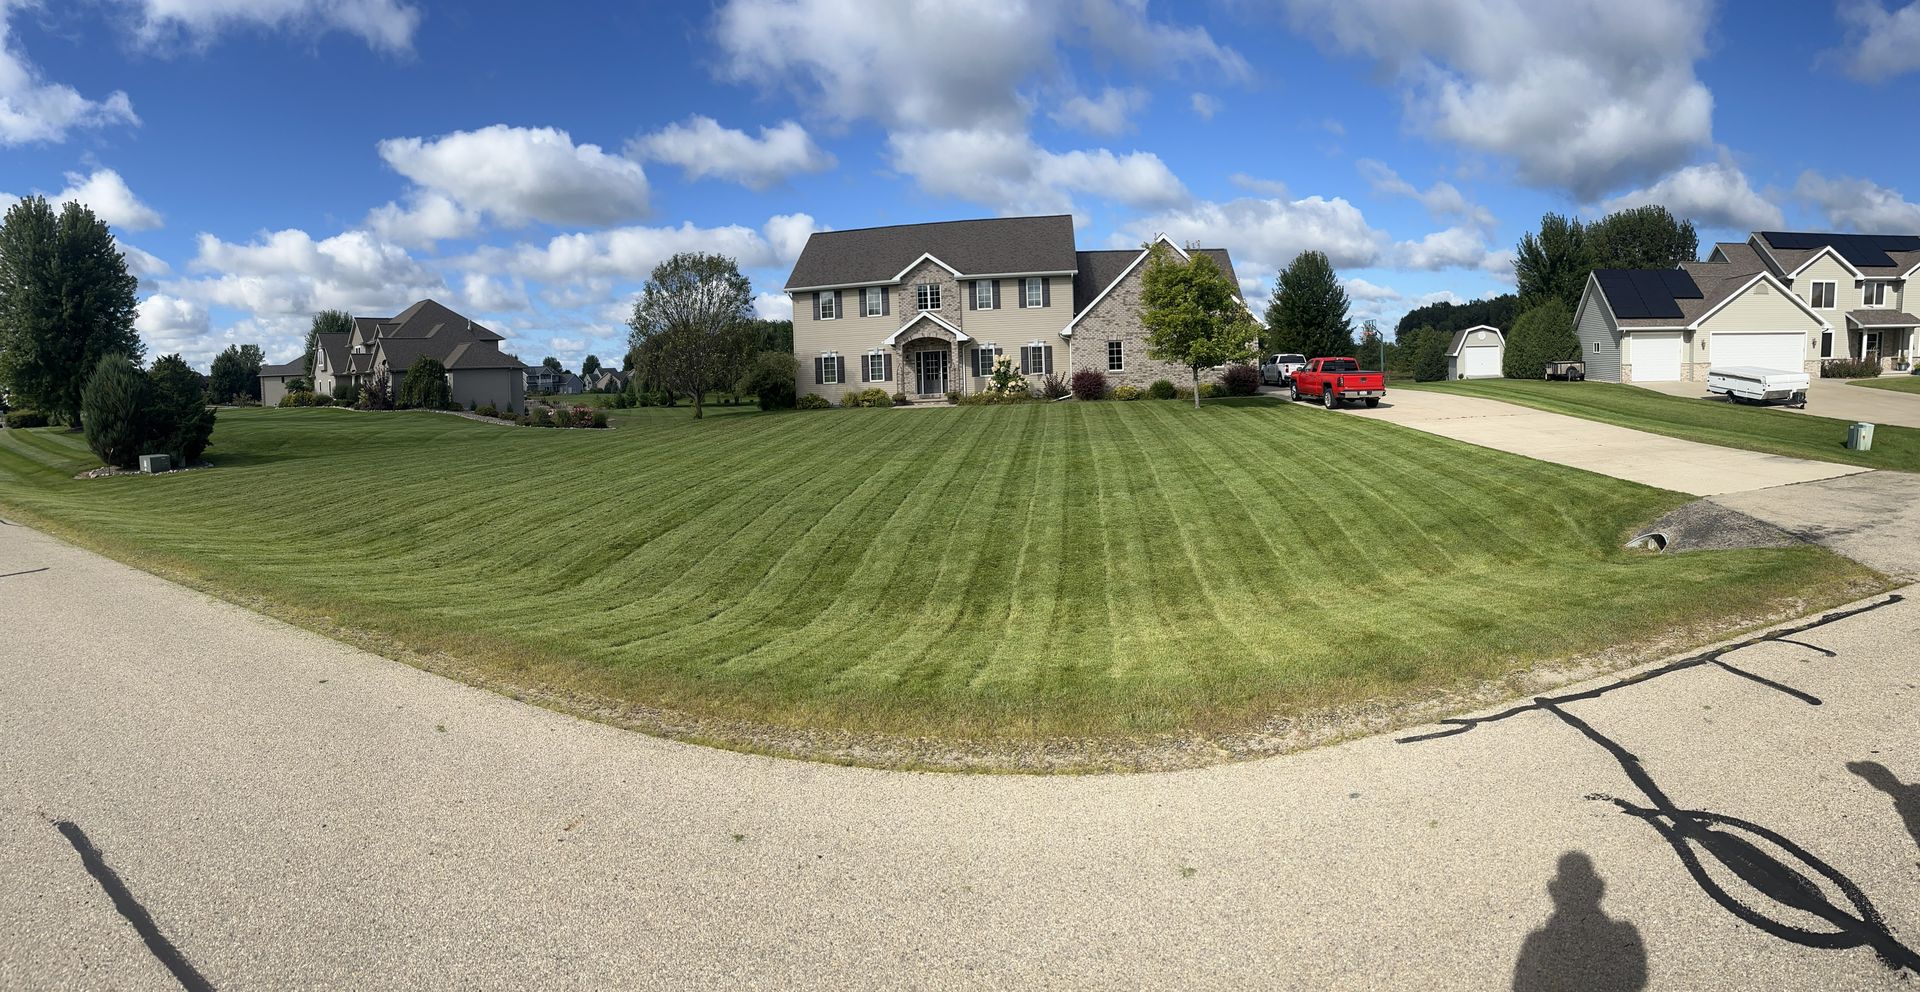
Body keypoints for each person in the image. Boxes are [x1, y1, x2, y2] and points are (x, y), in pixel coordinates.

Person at [1513, 851, 1648, 992]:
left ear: (1554, 889)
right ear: (1598, 887)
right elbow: (1640, 977)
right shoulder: (1625, 931)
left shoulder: (1536, 939)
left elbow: (1521, 983)